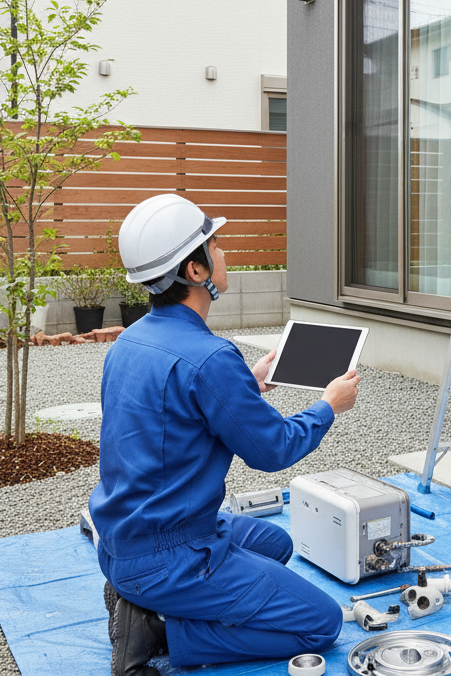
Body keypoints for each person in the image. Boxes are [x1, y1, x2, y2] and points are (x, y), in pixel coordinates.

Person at [89, 193, 360, 675]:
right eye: (215, 246)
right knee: (319, 624)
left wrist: (247, 386)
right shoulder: (210, 358)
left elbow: (174, 414)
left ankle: (144, 600)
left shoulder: (128, 341)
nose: (223, 254)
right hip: (169, 556)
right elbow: (273, 449)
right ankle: (157, 629)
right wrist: (327, 406)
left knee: (275, 546)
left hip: (122, 543)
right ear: (195, 272)